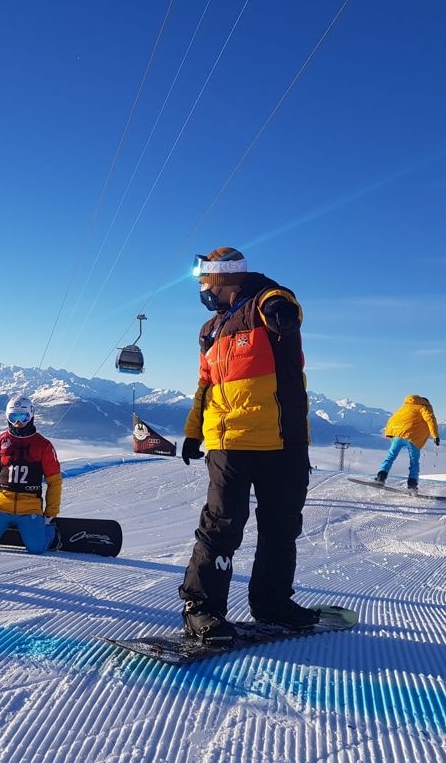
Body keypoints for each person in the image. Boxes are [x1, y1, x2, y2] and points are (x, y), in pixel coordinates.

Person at [178, 246, 318, 643]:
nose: (203, 289)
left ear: (223, 278)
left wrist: (281, 311)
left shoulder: (267, 302)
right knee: (222, 525)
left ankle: (272, 602)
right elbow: (205, 385)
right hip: (229, 442)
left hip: (283, 440)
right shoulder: (210, 330)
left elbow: (285, 306)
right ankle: (201, 608)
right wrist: (193, 432)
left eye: (205, 281)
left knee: (281, 527)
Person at [0, 396, 62, 554]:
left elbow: (54, 482)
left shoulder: (43, 446)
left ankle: (50, 531)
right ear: (7, 417)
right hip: (0, 505)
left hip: (30, 508)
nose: (18, 423)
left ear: (31, 416)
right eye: (14, 417)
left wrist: (50, 514)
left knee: (37, 548)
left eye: (23, 417)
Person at [376, 395, 440, 491]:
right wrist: (435, 436)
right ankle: (412, 485)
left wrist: (390, 434)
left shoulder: (405, 407)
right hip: (413, 438)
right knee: (414, 462)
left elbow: (392, 419)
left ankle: (381, 477)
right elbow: (430, 420)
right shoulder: (424, 407)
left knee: (390, 457)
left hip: (398, 435)